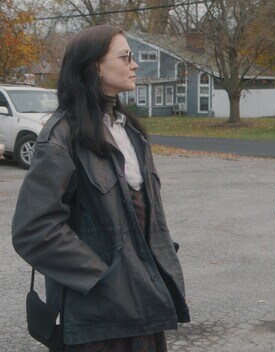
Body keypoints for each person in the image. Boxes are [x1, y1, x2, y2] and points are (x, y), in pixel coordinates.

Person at [12, 25, 190, 350]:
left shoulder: (131, 132)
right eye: (126, 57)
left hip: (144, 304)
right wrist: (103, 275)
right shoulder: (61, 137)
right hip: (98, 319)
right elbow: (34, 230)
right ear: (95, 66)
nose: (135, 65)